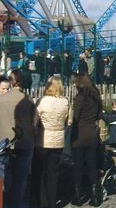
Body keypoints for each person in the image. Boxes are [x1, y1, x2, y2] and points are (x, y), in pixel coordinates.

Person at [0, 69, 37, 208]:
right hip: (25, 142)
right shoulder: (28, 100)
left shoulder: (0, 100)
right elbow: (35, 123)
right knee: (21, 180)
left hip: (4, 142)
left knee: (4, 177)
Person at [69, 74, 104, 206]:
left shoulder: (80, 98)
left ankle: (78, 196)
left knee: (78, 166)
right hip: (92, 133)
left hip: (80, 134)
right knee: (92, 165)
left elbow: (76, 117)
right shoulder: (95, 97)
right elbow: (99, 115)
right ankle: (95, 196)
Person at [36, 77, 71, 208]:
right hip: (58, 141)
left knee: (41, 172)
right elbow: (69, 121)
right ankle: (52, 202)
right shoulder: (65, 102)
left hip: (43, 140)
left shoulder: (42, 101)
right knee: (53, 173)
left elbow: (35, 119)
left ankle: (42, 201)